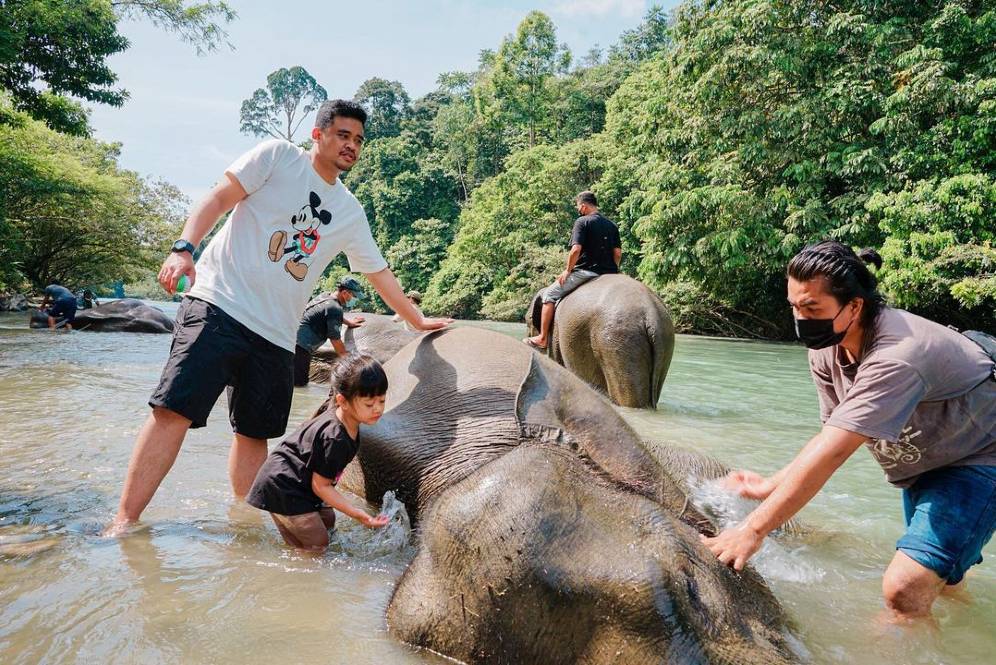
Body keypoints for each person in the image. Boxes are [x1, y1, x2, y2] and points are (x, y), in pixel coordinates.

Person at [104, 99, 451, 536]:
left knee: (254, 434)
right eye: (343, 135)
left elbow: (379, 273)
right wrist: (184, 247)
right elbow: (218, 198)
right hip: (219, 305)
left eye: (359, 140)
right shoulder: (277, 157)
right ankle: (124, 522)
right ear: (318, 134)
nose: (352, 146)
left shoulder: (348, 211)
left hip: (275, 334)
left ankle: (243, 529)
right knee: (172, 412)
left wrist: (416, 321)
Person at [701, 240, 996, 623]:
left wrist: (752, 530)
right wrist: (766, 486)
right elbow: (831, 433)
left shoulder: (898, 355)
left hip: (978, 458)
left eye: (812, 308)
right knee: (942, 578)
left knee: (904, 590)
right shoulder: (826, 345)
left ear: (854, 306)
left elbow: (837, 451)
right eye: (795, 306)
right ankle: (971, 634)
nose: (801, 319)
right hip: (924, 462)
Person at [247, 354, 390, 551]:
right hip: (283, 486)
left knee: (326, 521)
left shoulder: (345, 423)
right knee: (317, 543)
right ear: (343, 401)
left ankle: (297, 558)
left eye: (381, 400)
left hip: (293, 483)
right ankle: (300, 576)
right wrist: (357, 514)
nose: (378, 409)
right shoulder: (335, 438)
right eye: (369, 404)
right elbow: (320, 485)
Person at [524, 191, 621, 350]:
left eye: (578, 207)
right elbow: (617, 254)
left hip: (586, 272)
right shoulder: (612, 225)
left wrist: (567, 271)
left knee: (549, 294)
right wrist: (614, 271)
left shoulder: (582, 222)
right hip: (608, 274)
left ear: (583, 206)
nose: (578, 210)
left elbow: (576, 250)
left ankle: (542, 338)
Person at [294, 277, 366, 387]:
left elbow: (328, 314)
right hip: (301, 348)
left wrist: (348, 323)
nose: (354, 299)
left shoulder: (325, 296)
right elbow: (336, 341)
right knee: (300, 384)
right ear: (345, 292)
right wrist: (349, 363)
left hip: (292, 339)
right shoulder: (335, 308)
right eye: (354, 296)